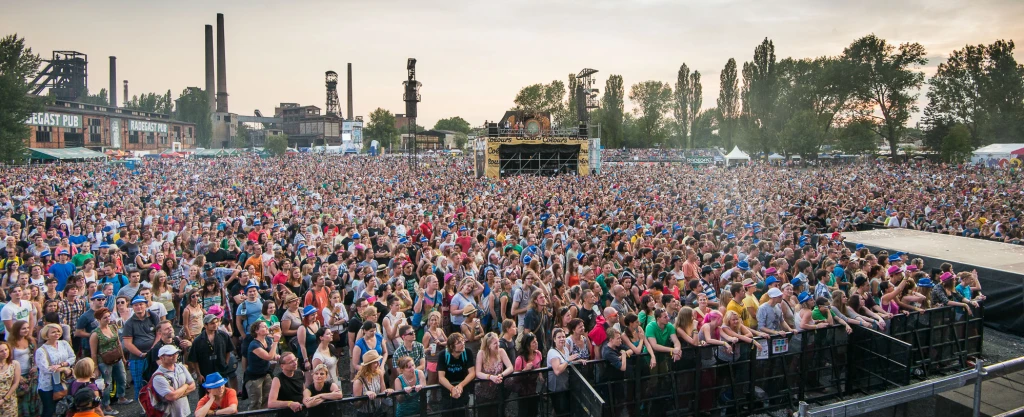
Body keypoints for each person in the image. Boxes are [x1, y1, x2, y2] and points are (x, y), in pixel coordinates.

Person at [88, 307, 125, 414]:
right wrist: (95, 368)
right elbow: (93, 353)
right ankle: (106, 405)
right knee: (106, 384)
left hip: (117, 358)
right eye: (105, 318)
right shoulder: (95, 334)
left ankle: (121, 397)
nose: (108, 319)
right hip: (103, 361)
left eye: (109, 316)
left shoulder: (113, 327)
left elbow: (118, 343)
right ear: (99, 319)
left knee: (122, 378)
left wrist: (123, 357)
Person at [121, 295, 158, 400]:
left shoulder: (153, 316)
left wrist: (152, 350)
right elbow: (128, 343)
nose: (139, 307)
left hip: (153, 355)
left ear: (145, 304)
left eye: (141, 304)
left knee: (156, 381)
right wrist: (141, 354)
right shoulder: (129, 323)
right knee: (139, 384)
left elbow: (159, 334)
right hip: (137, 358)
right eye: (136, 305)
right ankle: (143, 407)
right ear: (132, 307)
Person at [188, 314, 234, 396]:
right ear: (205, 325)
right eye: (212, 323)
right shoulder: (198, 341)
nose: (215, 325)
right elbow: (194, 359)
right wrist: (199, 374)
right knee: (205, 395)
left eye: (216, 322)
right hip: (206, 371)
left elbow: (228, 350)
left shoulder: (223, 335)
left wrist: (226, 363)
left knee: (224, 392)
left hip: (220, 368)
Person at [35, 323, 74, 417]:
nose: (56, 334)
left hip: (63, 381)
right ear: (46, 335)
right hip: (48, 385)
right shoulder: (41, 350)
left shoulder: (64, 343)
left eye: (58, 331)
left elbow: (72, 357)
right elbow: (45, 369)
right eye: (53, 332)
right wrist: (62, 369)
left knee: (64, 407)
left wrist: (62, 365)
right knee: (49, 410)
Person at [150, 345, 197, 417]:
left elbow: (193, 386)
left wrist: (176, 393)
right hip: (169, 414)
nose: (175, 356)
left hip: (185, 411)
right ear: (161, 358)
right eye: (170, 355)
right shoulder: (158, 377)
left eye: (176, 353)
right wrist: (186, 385)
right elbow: (171, 397)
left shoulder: (180, 367)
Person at [474, 332, 513, 416]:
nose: (498, 344)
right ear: (488, 345)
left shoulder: (501, 351)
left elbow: (510, 367)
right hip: (483, 392)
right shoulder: (481, 353)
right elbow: (478, 373)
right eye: (495, 343)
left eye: (498, 342)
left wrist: (501, 375)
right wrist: (490, 377)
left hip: (497, 391)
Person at [245, 321, 281, 410]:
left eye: (266, 326)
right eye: (264, 327)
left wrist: (276, 356)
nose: (267, 328)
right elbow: (268, 356)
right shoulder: (254, 345)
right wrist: (276, 341)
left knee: (266, 398)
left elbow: (271, 353)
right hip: (254, 377)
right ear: (257, 331)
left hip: (265, 373)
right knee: (256, 402)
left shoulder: (268, 340)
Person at [437, 333, 475, 417]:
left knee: (462, 412)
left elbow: (472, 373)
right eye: (459, 343)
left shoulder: (468, 352)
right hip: (447, 389)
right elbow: (441, 377)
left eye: (463, 341)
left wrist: (460, 385)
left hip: (463, 388)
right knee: (447, 412)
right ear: (451, 346)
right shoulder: (443, 355)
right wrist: (452, 388)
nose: (463, 344)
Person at [352, 350, 392, 417]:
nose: (378, 364)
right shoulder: (358, 381)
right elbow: (356, 404)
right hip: (364, 414)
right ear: (368, 365)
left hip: (378, 411)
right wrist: (365, 396)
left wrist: (388, 391)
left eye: (378, 361)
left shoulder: (379, 374)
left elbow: (383, 391)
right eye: (375, 362)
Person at [547, 328, 576, 415]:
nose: (562, 339)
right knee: (561, 411)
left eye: (563, 337)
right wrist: (568, 360)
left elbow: (567, 362)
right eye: (559, 337)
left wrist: (579, 360)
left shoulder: (566, 349)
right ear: (554, 339)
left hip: (565, 384)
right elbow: (557, 370)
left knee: (565, 410)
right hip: (557, 387)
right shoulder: (552, 352)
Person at [0, 342, 22, 416]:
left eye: (6, 349)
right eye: (1, 351)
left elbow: (16, 383)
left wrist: (4, 399)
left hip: (9, 399)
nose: (5, 352)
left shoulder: (14, 364)